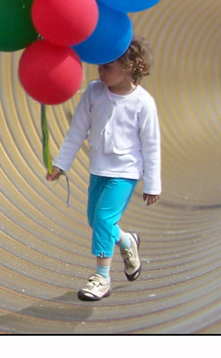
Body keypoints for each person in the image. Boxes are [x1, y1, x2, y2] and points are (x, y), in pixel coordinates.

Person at [45, 38, 161, 301]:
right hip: (99, 168)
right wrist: (61, 164)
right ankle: (128, 241)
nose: (100, 71)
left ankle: (101, 277)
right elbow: (77, 131)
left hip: (126, 172)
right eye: (99, 65)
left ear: (130, 67)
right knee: (94, 220)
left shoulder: (143, 103)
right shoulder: (94, 93)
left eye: (108, 66)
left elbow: (151, 145)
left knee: (104, 220)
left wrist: (152, 184)